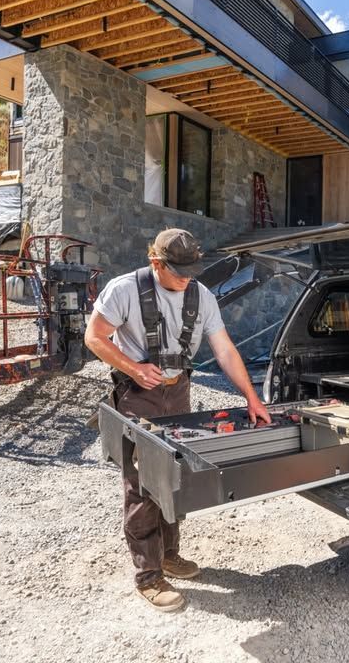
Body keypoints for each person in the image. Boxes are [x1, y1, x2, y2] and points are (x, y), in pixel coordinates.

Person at [85, 228, 271, 613]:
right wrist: (133, 369)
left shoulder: (200, 296)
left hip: (179, 394)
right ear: (156, 262)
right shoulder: (124, 290)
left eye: (191, 270)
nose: (187, 278)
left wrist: (253, 398)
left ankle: (169, 556)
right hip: (138, 395)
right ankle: (148, 576)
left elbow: (224, 349)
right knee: (142, 483)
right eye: (179, 271)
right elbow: (94, 337)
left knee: (173, 477)